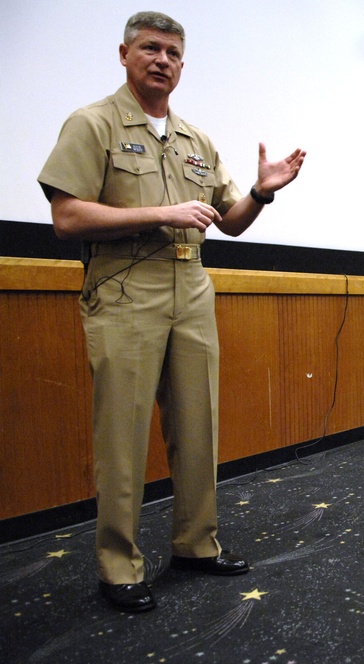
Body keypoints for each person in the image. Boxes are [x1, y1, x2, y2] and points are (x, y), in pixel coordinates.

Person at [37, 11, 306, 613]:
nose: (162, 60)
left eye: (174, 53)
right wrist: (161, 213)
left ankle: (195, 543)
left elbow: (228, 221)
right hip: (126, 287)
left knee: (197, 425)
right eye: (151, 49)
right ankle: (118, 565)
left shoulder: (196, 140)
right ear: (125, 54)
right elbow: (67, 216)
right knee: (123, 436)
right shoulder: (93, 124)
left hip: (192, 288)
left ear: (183, 66)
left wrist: (262, 192)